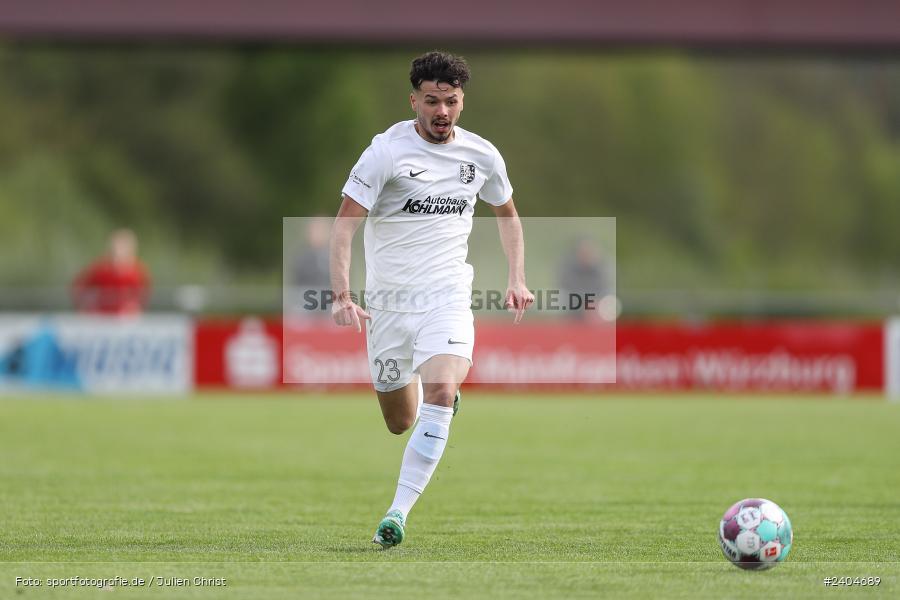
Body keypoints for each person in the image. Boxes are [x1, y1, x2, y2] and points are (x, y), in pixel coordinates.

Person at [330, 51, 534, 549]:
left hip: (446, 295)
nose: (442, 111)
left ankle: (396, 514)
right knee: (401, 421)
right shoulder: (385, 153)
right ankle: (435, 401)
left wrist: (517, 277)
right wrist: (342, 294)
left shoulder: (482, 155)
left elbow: (507, 214)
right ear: (414, 101)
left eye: (451, 101)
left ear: (462, 102)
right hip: (389, 308)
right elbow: (343, 227)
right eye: (432, 101)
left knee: (441, 391)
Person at [71, 228, 150, 315]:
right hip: (101, 318)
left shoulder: (137, 272)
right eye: (117, 247)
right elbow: (79, 288)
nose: (119, 251)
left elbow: (142, 296)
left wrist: (133, 307)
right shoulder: (100, 269)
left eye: (123, 247)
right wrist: (87, 306)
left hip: (125, 319)